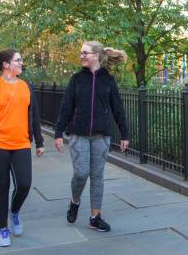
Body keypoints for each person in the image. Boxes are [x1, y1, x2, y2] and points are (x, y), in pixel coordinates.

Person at [54, 41, 129, 232]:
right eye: (81, 53)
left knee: (97, 176)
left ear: (95, 55)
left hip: (101, 136)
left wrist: (124, 134)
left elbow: (118, 108)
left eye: (85, 53)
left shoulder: (108, 80)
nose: (81, 56)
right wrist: (58, 133)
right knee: (81, 174)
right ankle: (75, 200)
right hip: (79, 135)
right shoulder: (77, 79)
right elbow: (66, 107)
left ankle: (95, 217)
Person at [0, 49, 45, 247]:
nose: (22, 63)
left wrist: (39, 142)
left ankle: (14, 212)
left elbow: (34, 116)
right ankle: (2, 229)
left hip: (22, 143)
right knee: (2, 187)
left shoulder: (26, 86)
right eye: (19, 60)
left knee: (24, 184)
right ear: (6, 64)